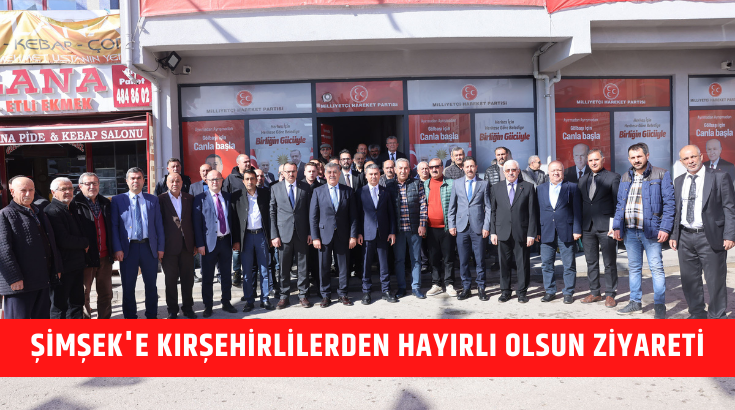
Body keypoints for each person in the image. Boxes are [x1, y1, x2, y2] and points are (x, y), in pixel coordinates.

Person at [670, 145, 735, 319]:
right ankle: (697, 314)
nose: (690, 161)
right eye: (686, 159)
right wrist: (674, 235)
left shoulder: (719, 177)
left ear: (701, 156)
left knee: (715, 280)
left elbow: (730, 208)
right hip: (685, 237)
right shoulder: (679, 180)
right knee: (689, 280)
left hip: (710, 236)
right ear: (681, 162)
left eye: (693, 157)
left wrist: (729, 235)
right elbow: (677, 210)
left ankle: (717, 316)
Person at [613, 143, 675, 318]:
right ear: (629, 159)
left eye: (639, 156)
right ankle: (635, 302)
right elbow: (620, 204)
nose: (636, 160)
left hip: (652, 231)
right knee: (634, 268)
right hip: (630, 232)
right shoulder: (626, 177)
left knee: (656, 268)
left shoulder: (661, 174)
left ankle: (659, 306)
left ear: (647, 156)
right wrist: (617, 226)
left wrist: (665, 227)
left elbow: (670, 204)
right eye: (633, 157)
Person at [0, 177, 61, 319]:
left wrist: (56, 268)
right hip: (20, 284)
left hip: (41, 279)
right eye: (23, 190)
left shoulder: (39, 212)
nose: (28, 194)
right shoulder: (5, 214)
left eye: (31, 190)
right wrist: (14, 278)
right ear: (12, 192)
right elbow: (3, 249)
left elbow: (50, 242)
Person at [111, 167, 165, 319]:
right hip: (128, 249)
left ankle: (152, 315)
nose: (136, 181)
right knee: (128, 286)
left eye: (139, 178)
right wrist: (117, 248)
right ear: (127, 181)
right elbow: (114, 226)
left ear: (144, 180)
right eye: (132, 178)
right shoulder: (117, 200)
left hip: (149, 247)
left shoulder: (153, 199)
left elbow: (159, 225)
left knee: (151, 285)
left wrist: (161, 248)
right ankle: (130, 317)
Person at [310, 162, 359, 307]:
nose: (332, 175)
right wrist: (315, 237)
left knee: (343, 267)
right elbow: (313, 217)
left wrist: (353, 235)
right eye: (329, 172)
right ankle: (325, 295)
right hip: (324, 235)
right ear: (325, 175)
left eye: (335, 172)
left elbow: (353, 216)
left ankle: (343, 294)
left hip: (343, 235)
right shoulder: (318, 191)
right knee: (324, 266)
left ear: (339, 174)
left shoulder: (348, 191)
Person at [490, 160, 539, 304]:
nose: (510, 172)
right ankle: (505, 291)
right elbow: (493, 211)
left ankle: (522, 292)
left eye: (513, 170)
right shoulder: (496, 188)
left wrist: (531, 233)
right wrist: (493, 232)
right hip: (502, 231)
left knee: (522, 263)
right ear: (504, 172)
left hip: (521, 232)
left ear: (518, 171)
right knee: (504, 263)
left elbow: (532, 212)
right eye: (508, 170)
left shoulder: (528, 187)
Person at [193, 170, 239, 317]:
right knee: (207, 277)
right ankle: (208, 305)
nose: (215, 182)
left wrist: (235, 240)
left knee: (226, 275)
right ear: (206, 181)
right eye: (212, 179)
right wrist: (199, 244)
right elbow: (197, 224)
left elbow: (233, 220)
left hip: (225, 242)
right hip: (208, 245)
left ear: (222, 181)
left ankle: (226, 302)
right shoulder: (200, 198)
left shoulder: (228, 197)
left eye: (218, 179)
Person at [578, 149, 621, 307]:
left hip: (606, 228)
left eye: (596, 160)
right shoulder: (582, 180)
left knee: (609, 262)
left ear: (603, 159)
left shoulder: (613, 177)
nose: (593, 163)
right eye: (590, 160)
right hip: (587, 227)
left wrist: (616, 226)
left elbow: (618, 203)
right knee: (591, 262)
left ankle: (610, 294)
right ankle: (595, 292)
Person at [537, 161, 582, 304]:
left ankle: (568, 292)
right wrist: (536, 231)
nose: (556, 173)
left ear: (563, 172)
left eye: (559, 170)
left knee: (569, 264)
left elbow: (577, 210)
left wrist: (577, 229)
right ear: (548, 173)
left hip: (567, 230)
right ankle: (550, 291)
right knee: (546, 264)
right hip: (546, 230)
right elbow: (537, 211)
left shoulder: (572, 187)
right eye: (553, 170)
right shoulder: (540, 188)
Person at [44, 177, 89, 319]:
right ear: (53, 192)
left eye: (70, 188)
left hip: (76, 265)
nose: (68, 192)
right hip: (62, 268)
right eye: (63, 189)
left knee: (76, 303)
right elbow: (63, 240)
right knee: (59, 306)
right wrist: (85, 243)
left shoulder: (71, 208)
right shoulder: (52, 211)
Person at [270, 162, 313, 309]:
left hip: (302, 233)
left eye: (293, 171)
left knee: (303, 266)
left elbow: (310, 212)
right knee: (284, 267)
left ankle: (303, 295)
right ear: (282, 173)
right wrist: (274, 235)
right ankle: (284, 296)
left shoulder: (305, 187)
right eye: (288, 171)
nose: (291, 174)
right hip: (283, 234)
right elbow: (272, 212)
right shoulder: (275, 188)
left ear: (297, 172)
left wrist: (310, 233)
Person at [448, 157, 492, 301]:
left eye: (472, 166)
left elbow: (488, 207)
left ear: (476, 167)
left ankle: (481, 287)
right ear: (463, 168)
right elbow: (452, 207)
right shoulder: (457, 183)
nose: (469, 169)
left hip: (478, 227)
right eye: (467, 167)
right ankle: (466, 287)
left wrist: (486, 226)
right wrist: (452, 225)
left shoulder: (484, 184)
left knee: (480, 260)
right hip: (461, 228)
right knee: (463, 260)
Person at [230, 170, 274, 312]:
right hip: (246, 238)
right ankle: (249, 301)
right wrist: (236, 240)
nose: (250, 181)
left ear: (256, 180)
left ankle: (265, 299)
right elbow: (234, 221)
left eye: (252, 179)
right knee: (247, 272)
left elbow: (270, 217)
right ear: (243, 181)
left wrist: (271, 236)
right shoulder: (236, 196)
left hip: (261, 236)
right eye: (247, 179)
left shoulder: (265, 194)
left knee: (264, 269)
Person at [74, 172, 114, 319]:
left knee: (106, 293)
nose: (92, 186)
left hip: (105, 256)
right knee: (84, 294)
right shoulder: (74, 204)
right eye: (88, 184)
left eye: (95, 183)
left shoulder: (105, 202)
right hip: (86, 258)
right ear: (80, 186)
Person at [158, 173, 197, 319]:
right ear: (167, 183)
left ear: (182, 183)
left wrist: (195, 243)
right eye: (172, 181)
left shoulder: (189, 198)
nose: (175, 183)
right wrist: (159, 248)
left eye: (178, 181)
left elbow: (194, 221)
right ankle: (172, 310)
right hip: (168, 248)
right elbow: (158, 225)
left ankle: (188, 308)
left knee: (188, 279)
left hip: (187, 246)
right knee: (170, 280)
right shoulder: (160, 199)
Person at [388, 159, 428, 299]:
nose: (403, 171)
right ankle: (401, 287)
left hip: (414, 228)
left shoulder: (417, 184)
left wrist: (422, 224)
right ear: (395, 170)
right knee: (399, 260)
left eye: (406, 168)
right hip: (398, 231)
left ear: (409, 169)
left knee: (416, 259)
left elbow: (423, 205)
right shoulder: (389, 186)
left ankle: (416, 287)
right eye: (400, 168)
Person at [357, 164, 397, 304]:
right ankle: (366, 292)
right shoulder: (360, 192)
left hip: (383, 233)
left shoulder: (385, 192)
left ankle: (386, 290)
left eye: (376, 174)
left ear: (380, 175)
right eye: (371, 174)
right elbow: (357, 215)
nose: (373, 176)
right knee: (366, 264)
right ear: (366, 176)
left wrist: (392, 232)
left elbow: (391, 214)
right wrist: (358, 233)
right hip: (366, 234)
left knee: (384, 264)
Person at [424, 158, 457, 297]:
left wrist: (454, 224)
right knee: (434, 258)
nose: (434, 169)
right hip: (430, 228)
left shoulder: (451, 183)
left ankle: (449, 284)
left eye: (437, 166)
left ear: (442, 167)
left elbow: (456, 205)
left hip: (447, 228)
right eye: (431, 167)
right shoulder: (425, 184)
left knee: (448, 257)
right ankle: (436, 284)